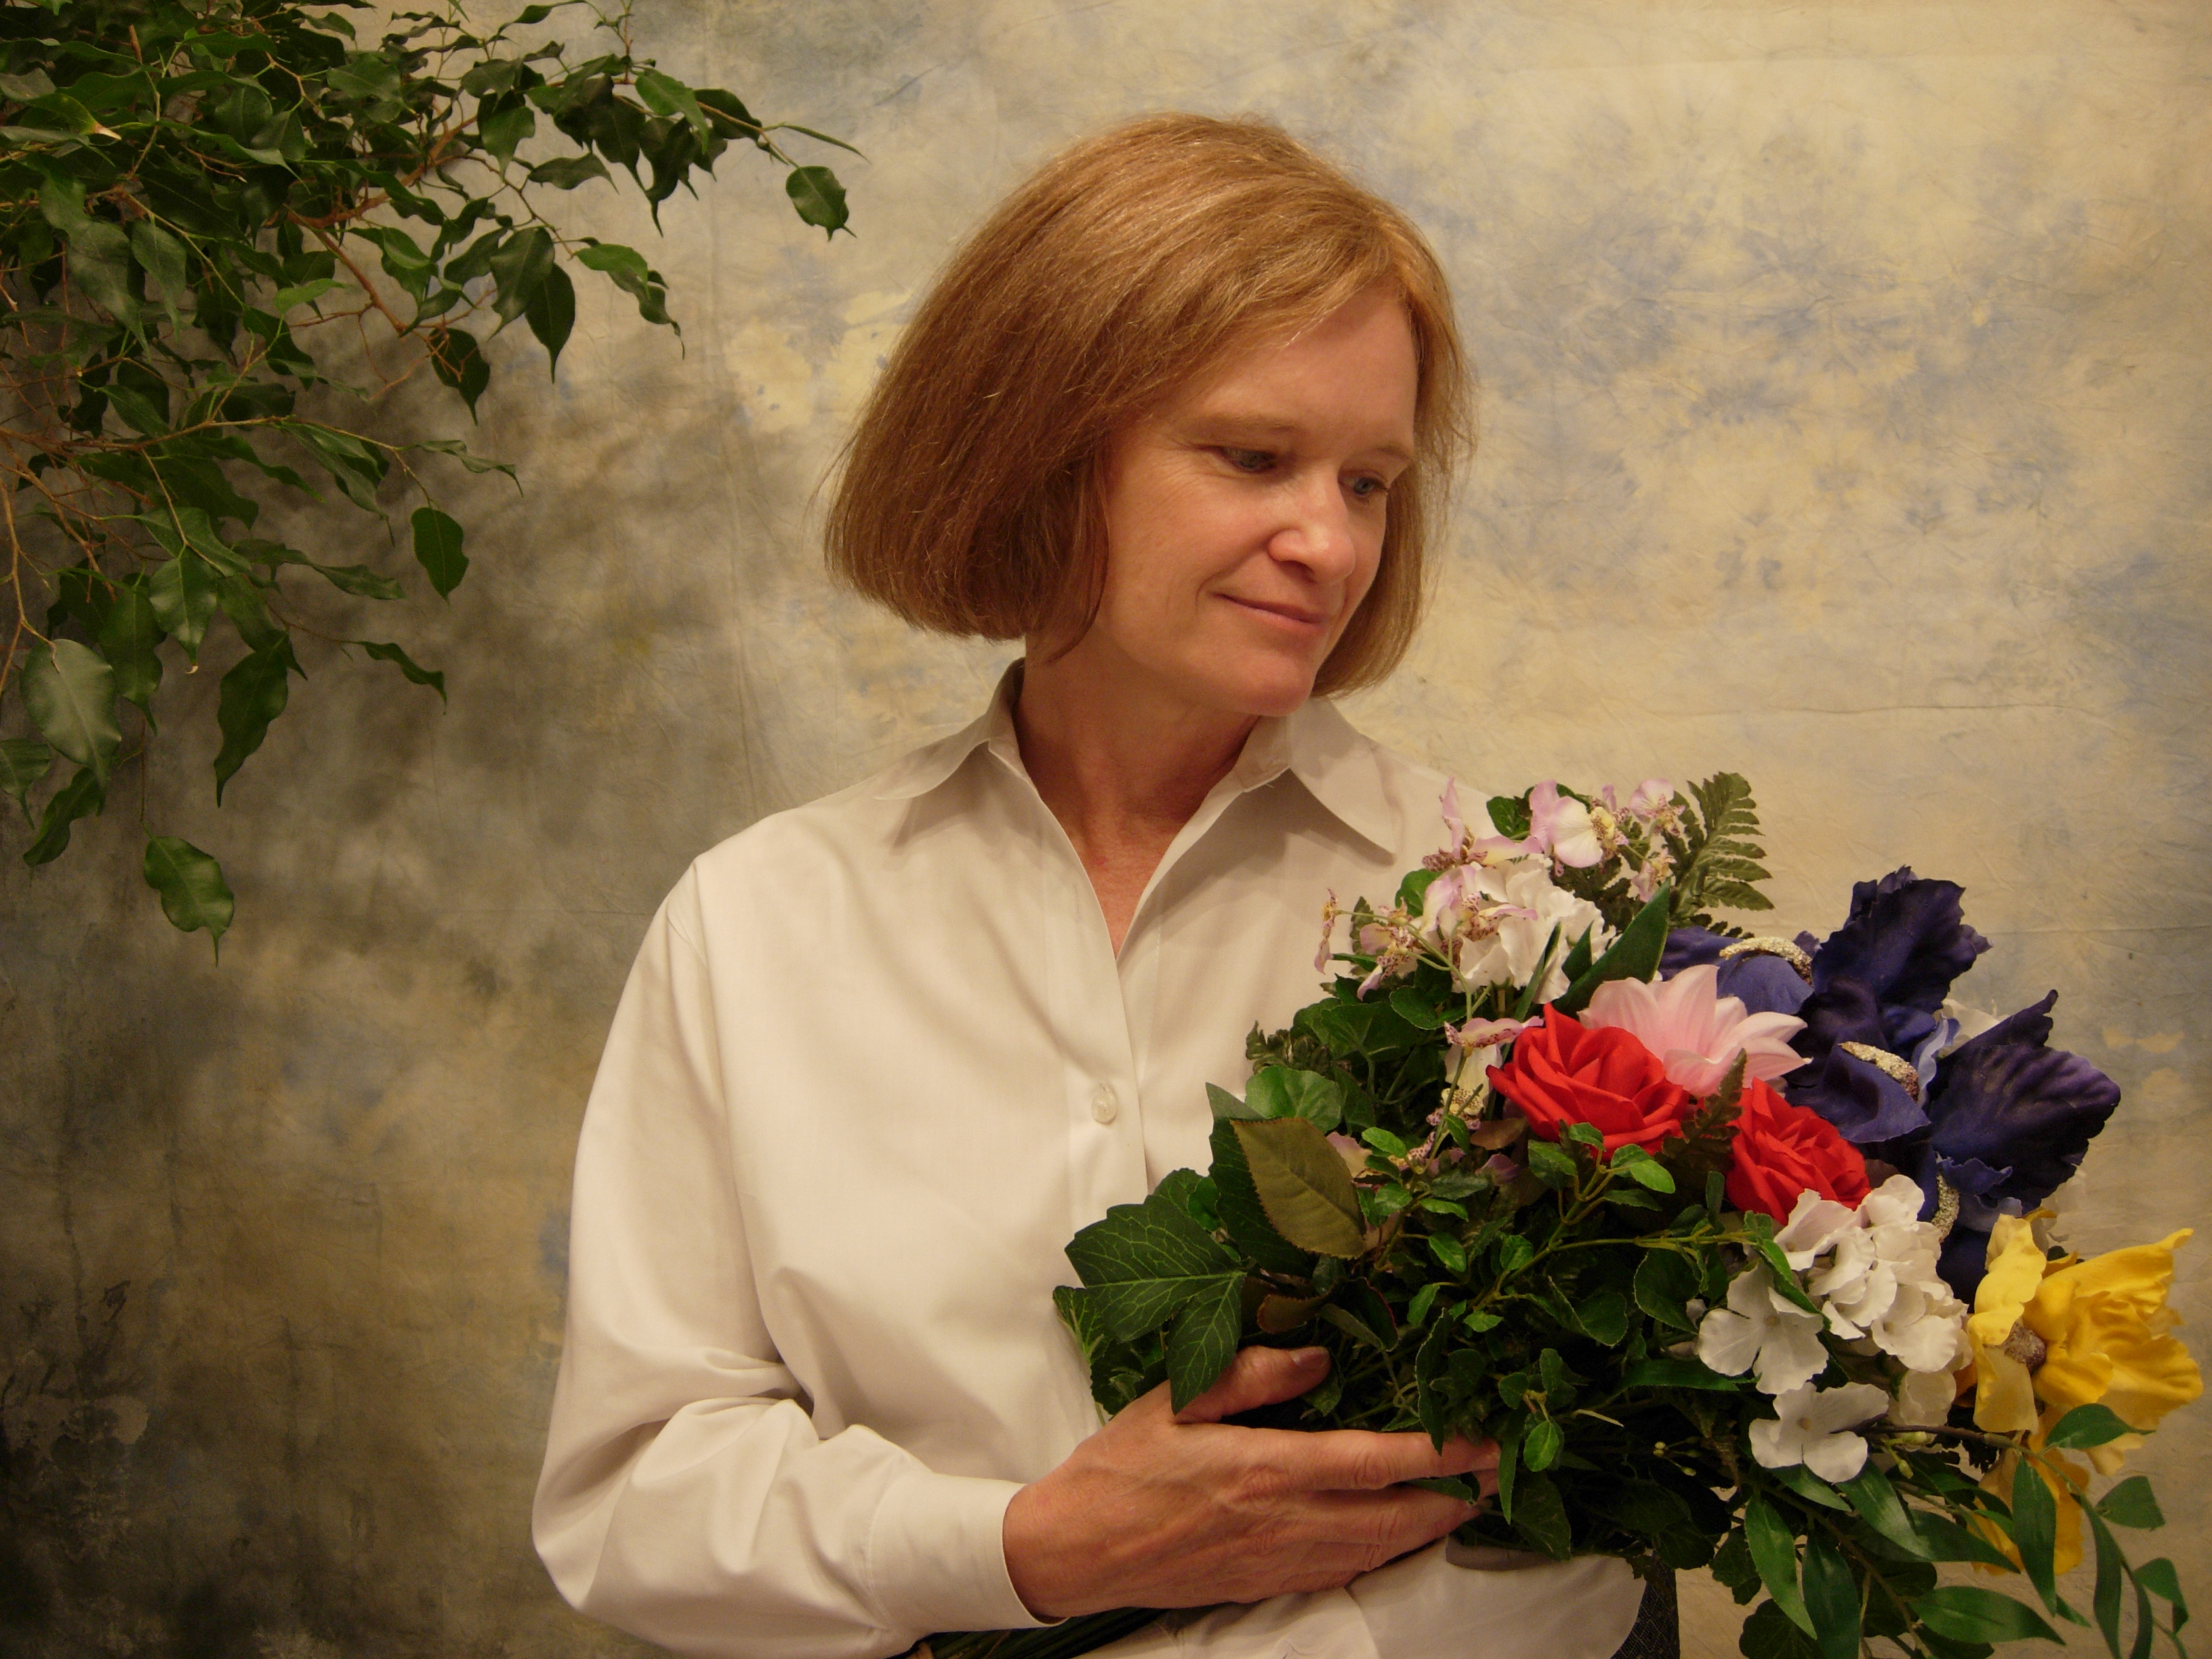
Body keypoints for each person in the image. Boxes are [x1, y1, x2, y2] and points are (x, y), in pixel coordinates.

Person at [533, 114, 1650, 1659]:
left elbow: (1600, 1495)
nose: (1330, 543)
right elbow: (638, 1499)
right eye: (1253, 458)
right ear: (1042, 456)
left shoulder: (1517, 925)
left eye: (1371, 481)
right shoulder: (757, 923)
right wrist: (1020, 1552)